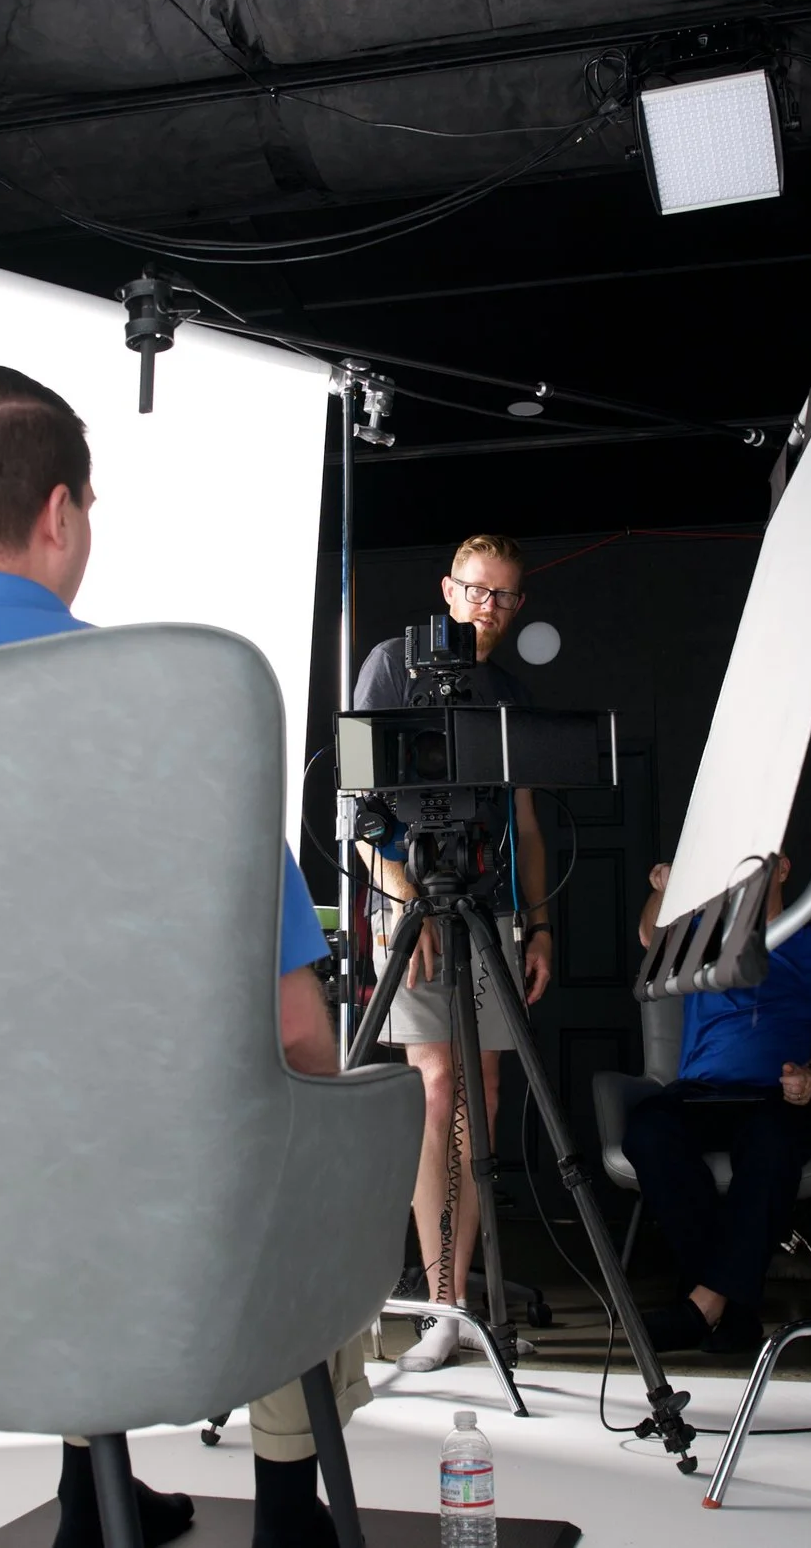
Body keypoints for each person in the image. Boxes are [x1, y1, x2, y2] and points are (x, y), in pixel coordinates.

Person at [0, 363, 354, 1548]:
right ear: (58, 513)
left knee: (41, 1122)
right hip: (135, 1250)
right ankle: (284, 1502)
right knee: (294, 1126)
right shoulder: (173, 717)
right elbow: (295, 1033)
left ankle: (85, 1494)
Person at [348, 533, 552, 1371]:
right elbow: (360, 808)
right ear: (447, 588)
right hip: (410, 904)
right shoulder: (392, 666)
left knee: (488, 1087)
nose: (487, 608)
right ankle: (440, 1302)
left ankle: (460, 1292)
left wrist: (537, 922)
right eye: (475, 590)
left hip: (488, 904)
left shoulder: (506, 692)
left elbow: (527, 824)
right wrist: (403, 900)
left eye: (503, 595)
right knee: (436, 1082)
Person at [623, 856, 811, 1351]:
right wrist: (663, 888)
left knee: (772, 1141)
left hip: (778, 1094)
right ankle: (730, 1310)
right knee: (648, 1130)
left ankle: (704, 1305)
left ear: (784, 870)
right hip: (700, 1093)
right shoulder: (705, 936)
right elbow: (651, 937)